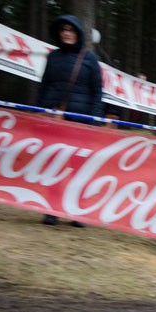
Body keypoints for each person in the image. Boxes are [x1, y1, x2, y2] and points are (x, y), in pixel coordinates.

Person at [37, 14, 103, 227]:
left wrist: (94, 121)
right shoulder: (53, 57)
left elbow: (97, 92)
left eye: (71, 29)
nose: (66, 32)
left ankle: (77, 213)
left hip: (81, 122)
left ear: (78, 34)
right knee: (54, 164)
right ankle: (52, 210)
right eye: (63, 29)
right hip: (56, 120)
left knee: (79, 167)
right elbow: (44, 86)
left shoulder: (90, 58)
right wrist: (40, 112)